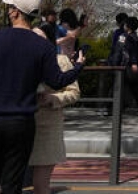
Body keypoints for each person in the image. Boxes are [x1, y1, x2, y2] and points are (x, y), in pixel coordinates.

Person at [0, 0, 84, 194]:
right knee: (12, 180)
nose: (9, 12)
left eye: (11, 8)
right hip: (22, 120)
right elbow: (57, 80)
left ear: (16, 13)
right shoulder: (42, 46)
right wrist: (78, 66)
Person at [28, 26, 81, 194]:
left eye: (40, 37)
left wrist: (53, 99)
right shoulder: (19, 60)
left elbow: (74, 92)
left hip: (47, 126)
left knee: (40, 186)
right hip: (20, 125)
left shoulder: (60, 60)